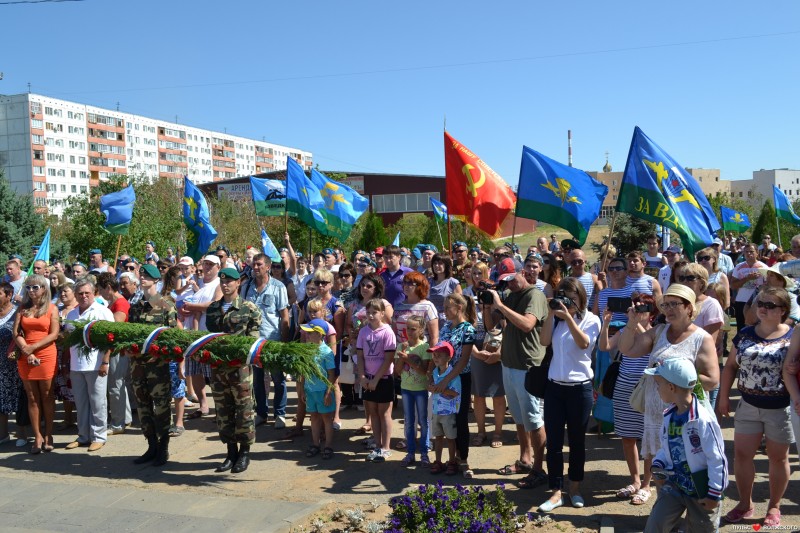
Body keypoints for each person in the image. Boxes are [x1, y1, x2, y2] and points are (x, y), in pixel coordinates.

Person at [618, 284, 719, 482]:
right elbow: (627, 350)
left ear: (689, 307)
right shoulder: (659, 332)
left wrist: (674, 383)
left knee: (688, 461)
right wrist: (631, 323)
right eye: (665, 305)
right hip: (657, 413)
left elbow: (712, 380)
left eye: (675, 304)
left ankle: (690, 507)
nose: (669, 309)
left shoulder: (702, 338)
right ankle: (660, 500)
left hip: (685, 414)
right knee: (658, 461)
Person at [717, 287, 793, 527]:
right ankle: (744, 503)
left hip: (781, 408)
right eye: (761, 303)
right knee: (741, 456)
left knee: (778, 458)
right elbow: (730, 367)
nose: (763, 308)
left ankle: (774, 505)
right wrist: (724, 396)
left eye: (770, 305)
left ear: (783, 311)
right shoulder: (746, 334)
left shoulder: (793, 336)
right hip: (748, 404)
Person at [536, 278, 601, 513]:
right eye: (563, 297)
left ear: (581, 298)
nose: (567, 303)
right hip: (554, 388)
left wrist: (569, 318)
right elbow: (544, 341)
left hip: (579, 389)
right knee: (553, 443)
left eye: (571, 299)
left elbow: (584, 344)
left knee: (577, 442)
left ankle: (574, 488)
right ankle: (555, 492)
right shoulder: (556, 320)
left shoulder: (591, 320)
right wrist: (552, 315)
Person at [643, 358, 728, 533]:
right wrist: (658, 464)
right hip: (674, 485)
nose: (657, 388)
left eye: (659, 384)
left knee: (702, 529)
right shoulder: (669, 415)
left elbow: (717, 458)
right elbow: (667, 448)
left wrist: (714, 493)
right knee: (655, 526)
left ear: (671, 388)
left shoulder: (703, 420)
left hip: (701, 492)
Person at [484, 263, 549, 487]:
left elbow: (527, 324)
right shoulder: (511, 296)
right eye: (505, 281)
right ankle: (525, 459)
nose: (509, 284)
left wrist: (501, 305)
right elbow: (491, 327)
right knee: (520, 418)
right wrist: (487, 306)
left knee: (534, 419)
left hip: (528, 366)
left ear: (524, 273)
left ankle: (539, 469)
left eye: (512, 278)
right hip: (509, 364)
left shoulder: (535, 295)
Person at [600, 293, 658, 506]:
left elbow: (651, 347)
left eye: (642, 308)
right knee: (627, 436)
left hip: (647, 389)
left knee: (649, 438)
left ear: (651, 313)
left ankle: (646, 484)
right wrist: (606, 324)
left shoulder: (656, 332)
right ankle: (634, 481)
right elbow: (604, 347)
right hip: (624, 387)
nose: (636, 311)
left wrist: (637, 324)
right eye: (634, 307)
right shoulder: (625, 329)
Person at [206, 267, 262, 473]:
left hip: (240, 369)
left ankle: (245, 453)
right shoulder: (212, 309)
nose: (225, 284)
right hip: (218, 369)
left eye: (230, 281)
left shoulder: (249, 308)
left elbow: (254, 341)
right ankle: (231, 452)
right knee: (223, 410)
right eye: (222, 281)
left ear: (238, 283)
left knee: (244, 411)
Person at [128, 264, 181, 466]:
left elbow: (172, 337)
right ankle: (151, 445)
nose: (142, 278)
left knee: (161, 407)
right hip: (138, 365)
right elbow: (131, 334)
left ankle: (163, 447)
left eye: (147, 276)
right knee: (143, 406)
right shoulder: (136, 305)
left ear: (156, 280)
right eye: (141, 275)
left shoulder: (166, 303)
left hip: (157, 366)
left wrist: (159, 354)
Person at [64, 279, 114, 452]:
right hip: (76, 365)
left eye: (87, 293)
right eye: (80, 293)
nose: (84, 296)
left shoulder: (103, 312)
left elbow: (111, 339)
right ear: (76, 295)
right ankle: (83, 435)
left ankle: (99, 436)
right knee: (81, 402)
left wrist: (105, 361)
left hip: (96, 364)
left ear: (94, 293)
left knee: (98, 402)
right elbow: (68, 339)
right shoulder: (71, 314)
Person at [240, 253, 290, 428]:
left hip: (273, 340)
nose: (255, 267)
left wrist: (284, 342)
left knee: (278, 379)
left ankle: (280, 414)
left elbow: (285, 316)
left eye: (259, 264)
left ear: (268, 267)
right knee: (258, 380)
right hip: (253, 342)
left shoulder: (278, 287)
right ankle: (261, 413)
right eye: (253, 264)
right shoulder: (246, 287)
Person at [12, 275, 59, 454]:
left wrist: (33, 348)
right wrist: (26, 349)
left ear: (44, 289)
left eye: (35, 287)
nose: (31, 291)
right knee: (32, 397)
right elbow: (16, 332)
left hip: (45, 353)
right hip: (25, 355)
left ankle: (48, 434)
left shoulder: (52, 308)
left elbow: (54, 334)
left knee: (47, 395)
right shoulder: (23, 308)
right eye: (28, 288)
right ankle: (37, 436)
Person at [464, 262, 506, 449]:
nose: (477, 277)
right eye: (474, 273)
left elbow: (494, 327)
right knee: (478, 395)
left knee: (498, 395)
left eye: (480, 273)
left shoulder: (497, 297)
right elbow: (464, 327)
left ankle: (497, 431)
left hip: (496, 350)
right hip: (475, 349)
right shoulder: (466, 297)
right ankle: (481, 431)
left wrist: (488, 306)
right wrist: (474, 351)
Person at [435, 293, 476, 477]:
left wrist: (446, 379)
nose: (444, 311)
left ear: (459, 307)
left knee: (460, 419)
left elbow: (463, 360)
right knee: (445, 417)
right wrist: (435, 375)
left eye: (448, 307)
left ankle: (463, 458)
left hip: (460, 379)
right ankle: (450, 458)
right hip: (443, 376)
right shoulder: (445, 327)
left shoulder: (468, 329)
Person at [181, 255, 223, 418]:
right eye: (205, 264)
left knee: (211, 372)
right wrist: (186, 309)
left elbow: (215, 305)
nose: (207, 267)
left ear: (218, 267)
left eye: (211, 265)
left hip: (208, 333)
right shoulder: (199, 284)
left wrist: (192, 306)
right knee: (195, 370)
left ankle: (219, 407)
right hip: (193, 333)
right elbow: (195, 306)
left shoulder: (218, 284)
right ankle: (203, 404)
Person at [356, 298, 396, 462]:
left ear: (382, 313)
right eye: (369, 312)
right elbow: (360, 356)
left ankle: (386, 447)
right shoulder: (363, 332)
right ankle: (378, 445)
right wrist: (363, 377)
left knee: (384, 413)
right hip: (368, 379)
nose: (371, 316)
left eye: (375, 312)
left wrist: (376, 380)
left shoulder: (387, 332)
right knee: (372, 412)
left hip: (384, 378)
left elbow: (388, 359)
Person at [96, 273, 132, 435]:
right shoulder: (115, 302)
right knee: (119, 385)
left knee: (115, 386)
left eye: (100, 289)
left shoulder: (120, 303)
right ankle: (125, 418)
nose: (100, 293)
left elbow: (115, 328)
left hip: (118, 350)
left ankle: (118, 423)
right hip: (116, 349)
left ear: (108, 288)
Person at [395, 314, 431, 467]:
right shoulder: (402, 346)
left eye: (413, 329)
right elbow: (397, 371)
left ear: (421, 329)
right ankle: (410, 453)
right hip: (406, 389)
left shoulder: (425, 347)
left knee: (423, 421)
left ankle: (424, 452)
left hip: (421, 389)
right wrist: (402, 359)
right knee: (409, 422)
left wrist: (408, 359)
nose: (409, 332)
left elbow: (423, 371)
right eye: (407, 328)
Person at [300, 319, 337, 460]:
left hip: (322, 391)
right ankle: (315, 444)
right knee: (314, 417)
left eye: (310, 333)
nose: (307, 335)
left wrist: (328, 392)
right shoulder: (306, 350)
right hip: (310, 390)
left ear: (320, 335)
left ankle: (328, 446)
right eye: (307, 333)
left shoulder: (326, 352)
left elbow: (331, 374)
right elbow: (304, 371)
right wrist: (303, 389)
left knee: (326, 418)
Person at [427, 341, 461, 475]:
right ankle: (438, 461)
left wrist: (441, 389)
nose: (435, 358)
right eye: (434, 355)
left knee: (451, 438)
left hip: (449, 412)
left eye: (439, 355)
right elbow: (429, 385)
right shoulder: (434, 372)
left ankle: (452, 461)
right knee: (438, 437)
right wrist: (430, 386)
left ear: (449, 358)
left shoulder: (453, 375)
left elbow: (456, 393)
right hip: (436, 411)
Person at [54, 283, 77, 430]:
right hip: (58, 353)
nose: (62, 294)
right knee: (63, 386)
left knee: (76, 386)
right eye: (60, 292)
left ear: (74, 292)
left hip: (73, 353)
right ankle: (67, 418)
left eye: (66, 291)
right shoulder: (58, 310)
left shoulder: (77, 310)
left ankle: (81, 419)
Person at [393, 271, 439, 346]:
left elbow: (434, 337)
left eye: (410, 283)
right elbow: (394, 333)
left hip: (420, 353)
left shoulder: (428, 306)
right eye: (405, 283)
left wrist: (432, 356)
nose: (406, 286)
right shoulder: (398, 306)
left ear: (420, 286)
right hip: (400, 352)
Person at [0, 283, 20, 445]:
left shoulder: (18, 313)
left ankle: (22, 434)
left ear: (9, 295)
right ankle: (3, 434)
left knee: (18, 398)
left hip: (13, 364)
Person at [730, 243, 766, 331]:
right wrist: (747, 278)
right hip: (741, 301)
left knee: (756, 328)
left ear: (757, 252)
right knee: (741, 328)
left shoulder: (764, 267)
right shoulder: (738, 267)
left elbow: (768, 285)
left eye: (751, 251)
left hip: (757, 302)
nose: (749, 254)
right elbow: (733, 285)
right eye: (746, 252)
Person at [428, 254, 463, 320]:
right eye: (435, 263)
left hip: (448, 320)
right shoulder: (428, 282)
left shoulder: (453, 283)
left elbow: (459, 304)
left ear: (446, 265)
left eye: (440, 263)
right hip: (431, 318)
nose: (436, 266)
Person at [380, 245, 414, 309]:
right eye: (385, 257)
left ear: (399, 257)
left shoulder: (409, 273)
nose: (388, 260)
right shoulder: (382, 276)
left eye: (391, 257)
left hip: (405, 312)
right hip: (386, 313)